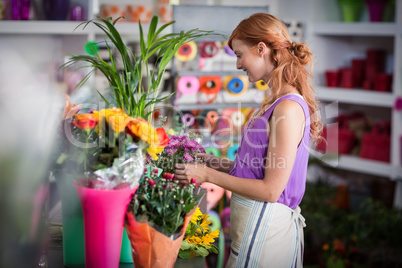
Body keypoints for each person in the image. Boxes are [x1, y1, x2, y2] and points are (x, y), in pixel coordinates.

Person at [175, 13, 322, 267]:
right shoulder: (275, 103)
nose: (238, 65)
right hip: (256, 231)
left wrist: (207, 175)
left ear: (261, 49)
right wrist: (210, 162)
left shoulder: (287, 108)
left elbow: (271, 189)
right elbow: (255, 172)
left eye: (240, 55)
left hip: (266, 235)